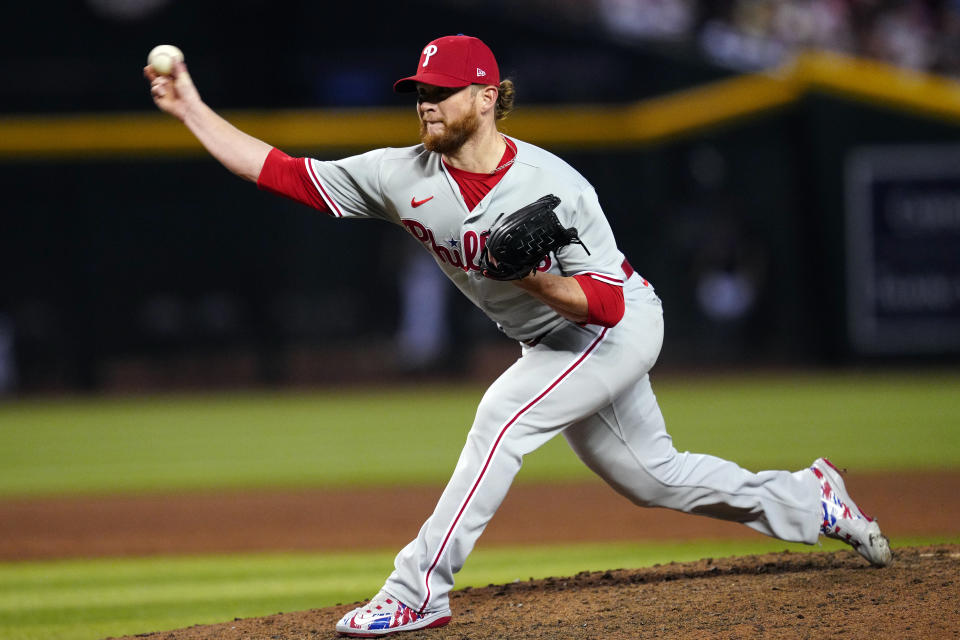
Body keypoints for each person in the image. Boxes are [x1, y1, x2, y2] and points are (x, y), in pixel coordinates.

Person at [145, 34, 891, 638]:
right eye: (419, 93)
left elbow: (602, 306)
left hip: (618, 326)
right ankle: (810, 498)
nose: (426, 104)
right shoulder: (397, 173)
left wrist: (531, 277)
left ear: (486, 97)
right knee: (650, 478)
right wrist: (193, 109)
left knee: (503, 417)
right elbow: (281, 172)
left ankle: (417, 591)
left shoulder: (555, 184)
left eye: (441, 92)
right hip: (553, 346)